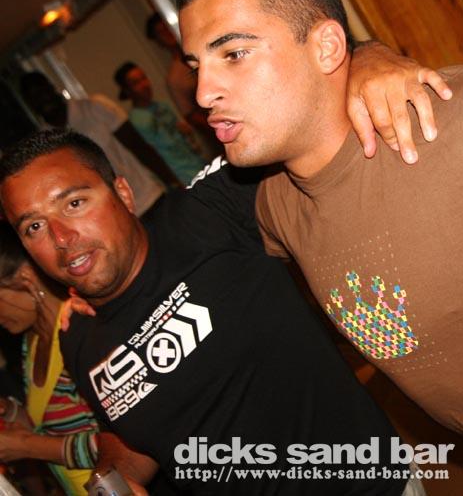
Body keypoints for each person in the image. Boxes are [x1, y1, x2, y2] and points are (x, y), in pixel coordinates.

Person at [0, 130, 419, 495]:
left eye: (74, 203)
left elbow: (311, 125)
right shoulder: (76, 336)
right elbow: (131, 435)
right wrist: (114, 477)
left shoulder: (208, 215)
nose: (60, 238)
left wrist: (370, 72)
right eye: (34, 227)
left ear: (123, 194)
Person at [176, 0, 462, 432]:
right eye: (195, 66)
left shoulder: (447, 129)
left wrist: (367, 52)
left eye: (234, 54)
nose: (204, 94)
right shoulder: (274, 202)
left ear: (327, 47)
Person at [0, 222, 98, 495]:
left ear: (26, 278)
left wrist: (27, 447)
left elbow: (128, 446)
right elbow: (55, 429)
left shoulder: (79, 330)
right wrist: (11, 411)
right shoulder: (31, 342)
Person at [19, 71, 179, 218]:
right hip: (114, 218)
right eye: (34, 98)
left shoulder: (94, 107)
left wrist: (172, 182)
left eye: (42, 91)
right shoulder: (46, 142)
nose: (42, 99)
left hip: (148, 198)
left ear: (52, 88)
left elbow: (138, 145)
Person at [146, 13, 223, 161]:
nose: (167, 32)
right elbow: (191, 115)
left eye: (166, 27)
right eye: (161, 32)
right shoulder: (175, 77)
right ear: (159, 41)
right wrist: (219, 127)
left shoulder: (206, 47)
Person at [114, 61, 206, 185]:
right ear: (127, 90)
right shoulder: (135, 121)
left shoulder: (162, 106)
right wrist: (173, 182)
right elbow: (151, 157)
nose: (144, 85)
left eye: (143, 78)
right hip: (182, 179)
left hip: (199, 166)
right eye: (136, 83)